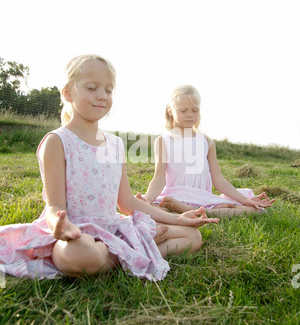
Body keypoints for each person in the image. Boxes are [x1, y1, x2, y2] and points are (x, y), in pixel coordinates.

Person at [0, 56, 219, 282]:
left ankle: (121, 253)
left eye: (108, 90)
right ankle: (133, 251)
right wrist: (61, 225)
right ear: (67, 92)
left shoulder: (115, 144)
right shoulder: (57, 141)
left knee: (192, 235)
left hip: (112, 229)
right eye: (92, 88)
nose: (102, 96)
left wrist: (177, 220)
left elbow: (127, 203)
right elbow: (54, 206)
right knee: (75, 253)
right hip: (77, 234)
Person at [137, 85, 275, 217]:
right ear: (170, 110)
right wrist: (147, 200)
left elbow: (218, 179)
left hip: (202, 197)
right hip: (175, 194)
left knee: (259, 211)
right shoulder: (164, 141)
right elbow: (159, 178)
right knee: (150, 209)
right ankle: (190, 210)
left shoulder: (206, 141)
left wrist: (245, 200)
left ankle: (192, 211)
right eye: (183, 111)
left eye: (194, 110)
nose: (190, 115)